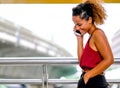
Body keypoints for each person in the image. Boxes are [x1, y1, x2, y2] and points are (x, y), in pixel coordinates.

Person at [72, 0, 114, 88]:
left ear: (90, 19)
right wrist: (80, 38)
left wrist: (88, 75)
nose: (77, 27)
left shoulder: (98, 34)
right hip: (90, 80)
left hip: (94, 81)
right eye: (75, 25)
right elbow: (82, 62)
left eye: (79, 24)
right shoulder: (91, 36)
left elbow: (109, 59)